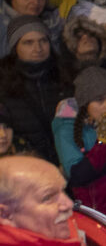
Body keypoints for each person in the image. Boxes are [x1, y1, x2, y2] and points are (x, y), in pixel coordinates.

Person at [51, 66, 106, 219]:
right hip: (98, 216)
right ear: (85, 103)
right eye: (100, 99)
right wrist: (103, 143)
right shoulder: (67, 129)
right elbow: (78, 175)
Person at [0, 18, 65, 159]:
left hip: (67, 165)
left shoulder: (65, 77)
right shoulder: (4, 83)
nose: (38, 48)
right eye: (28, 42)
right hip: (27, 168)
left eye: (43, 41)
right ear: (15, 47)